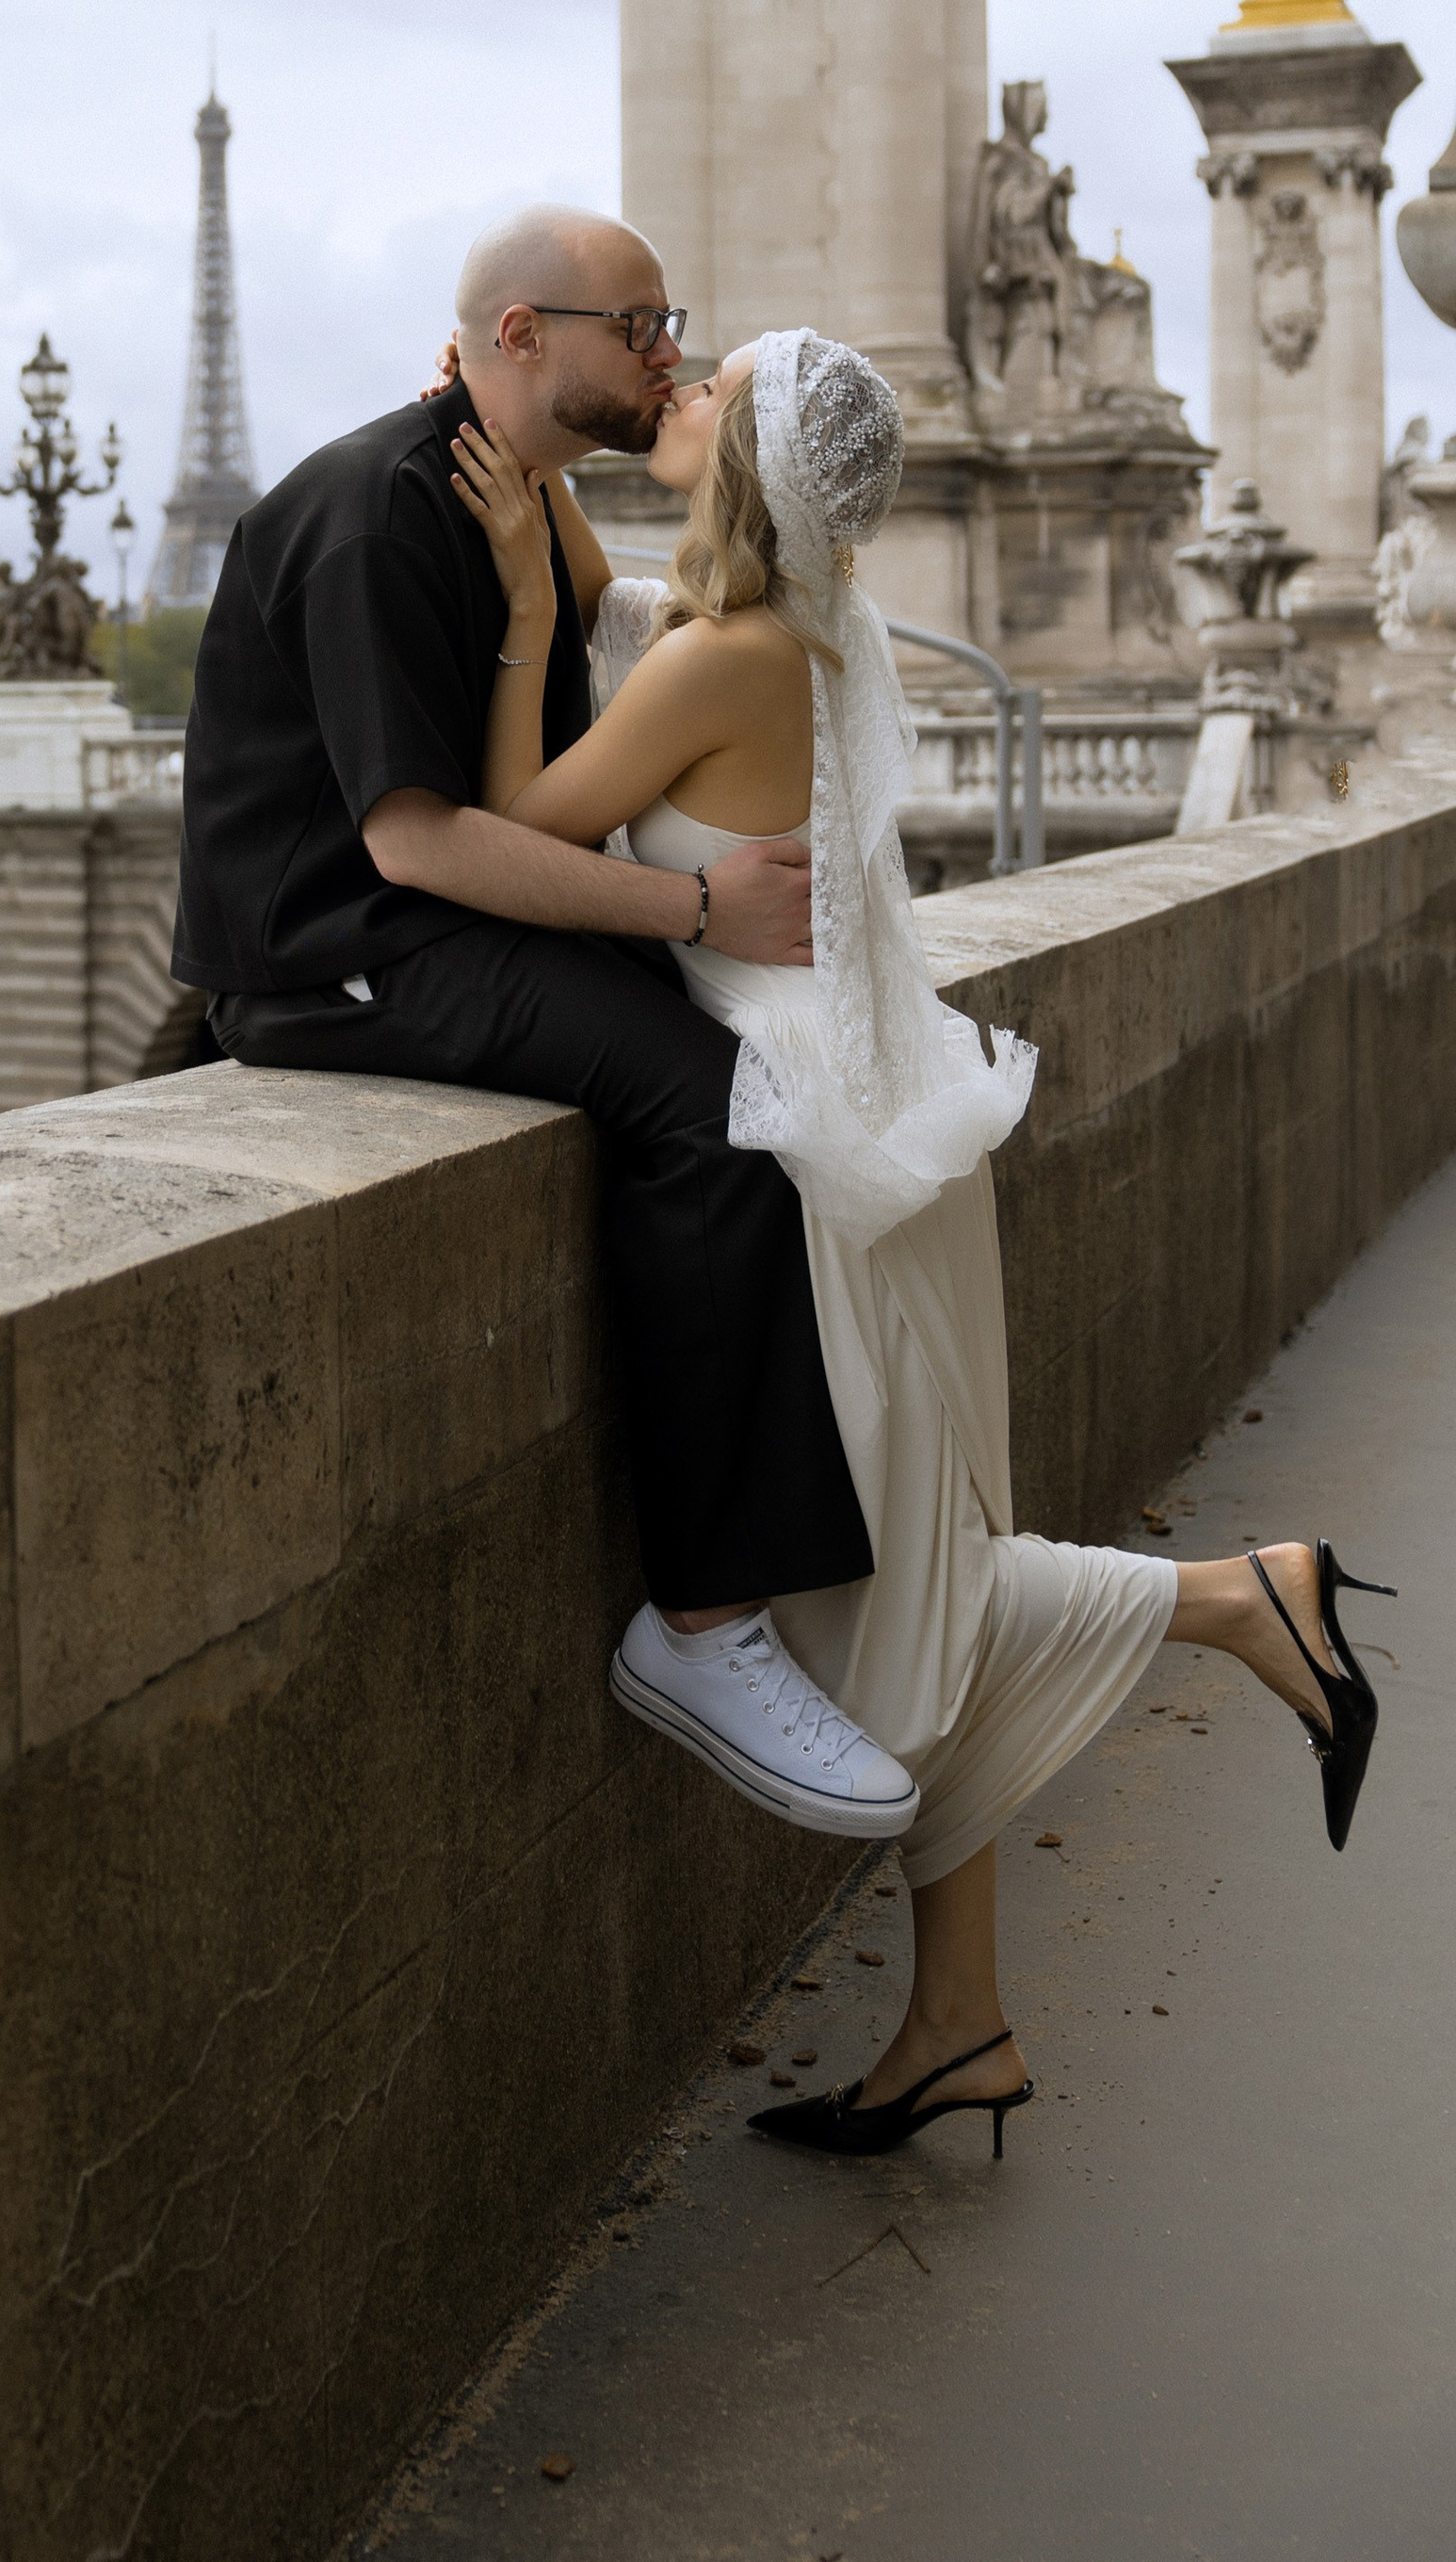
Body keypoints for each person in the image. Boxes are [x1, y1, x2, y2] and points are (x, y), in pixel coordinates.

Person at [450, 326, 1392, 2159]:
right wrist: (548, 495)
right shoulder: (803, 619)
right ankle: (952, 2025)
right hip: (884, 1117)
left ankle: (1235, 1600)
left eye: (707, 376)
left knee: (884, 1603)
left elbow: (502, 826)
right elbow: (618, 573)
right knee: (923, 1552)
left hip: (798, 1152)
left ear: (744, 460)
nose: (680, 380)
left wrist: (506, 609)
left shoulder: (720, 658)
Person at [174, 206, 915, 1838]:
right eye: (640, 327)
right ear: (522, 338)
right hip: (342, 954)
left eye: (673, 333)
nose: (665, 357)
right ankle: (705, 1625)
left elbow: (577, 650)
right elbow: (419, 841)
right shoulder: (384, 516)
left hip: (442, 917)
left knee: (725, 1087)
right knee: (713, 1104)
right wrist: (702, 912)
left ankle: (733, 1596)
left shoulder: (506, 486)